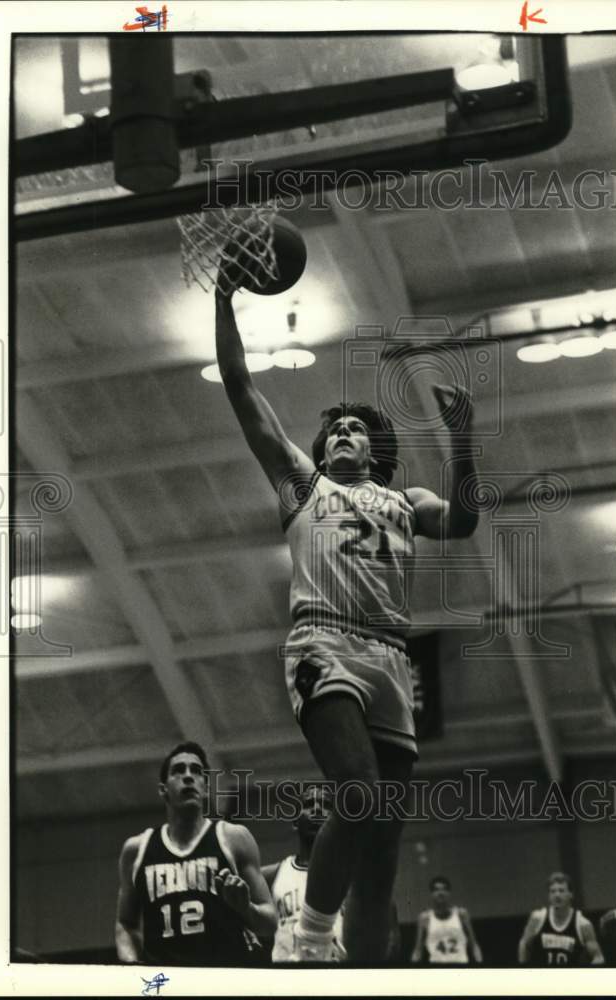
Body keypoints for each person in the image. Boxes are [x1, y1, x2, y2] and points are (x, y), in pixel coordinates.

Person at [215, 276, 480, 962]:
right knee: (357, 793)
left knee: (385, 845)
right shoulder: (305, 485)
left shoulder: (406, 499)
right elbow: (244, 394)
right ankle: (307, 942)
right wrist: (225, 304)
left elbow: (464, 519)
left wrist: (464, 442)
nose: (342, 433)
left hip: (392, 656)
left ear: (376, 450)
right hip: (323, 643)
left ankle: (367, 972)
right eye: (333, 428)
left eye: (355, 428)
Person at [115, 742, 276, 966]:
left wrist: (245, 908)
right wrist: (134, 970)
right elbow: (125, 924)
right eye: (179, 770)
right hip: (169, 982)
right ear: (163, 789)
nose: (188, 776)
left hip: (224, 977)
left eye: (196, 771)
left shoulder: (233, 838)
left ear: (206, 787)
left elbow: (270, 923)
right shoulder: (136, 849)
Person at [261, 784, 345, 962]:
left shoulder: (351, 878)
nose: (316, 809)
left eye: (325, 805)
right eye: (308, 804)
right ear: (294, 821)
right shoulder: (271, 875)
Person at [518, 871, 604, 966]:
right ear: (549, 896)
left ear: (571, 894)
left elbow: (598, 957)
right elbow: (524, 944)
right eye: (553, 891)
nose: (557, 895)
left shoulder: (583, 924)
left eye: (561, 890)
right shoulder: (538, 918)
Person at [410, 876, 483, 965]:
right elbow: (418, 950)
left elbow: (474, 945)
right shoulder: (425, 918)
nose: (440, 893)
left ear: (449, 893)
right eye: (436, 890)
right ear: (431, 894)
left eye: (444, 889)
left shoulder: (461, 914)